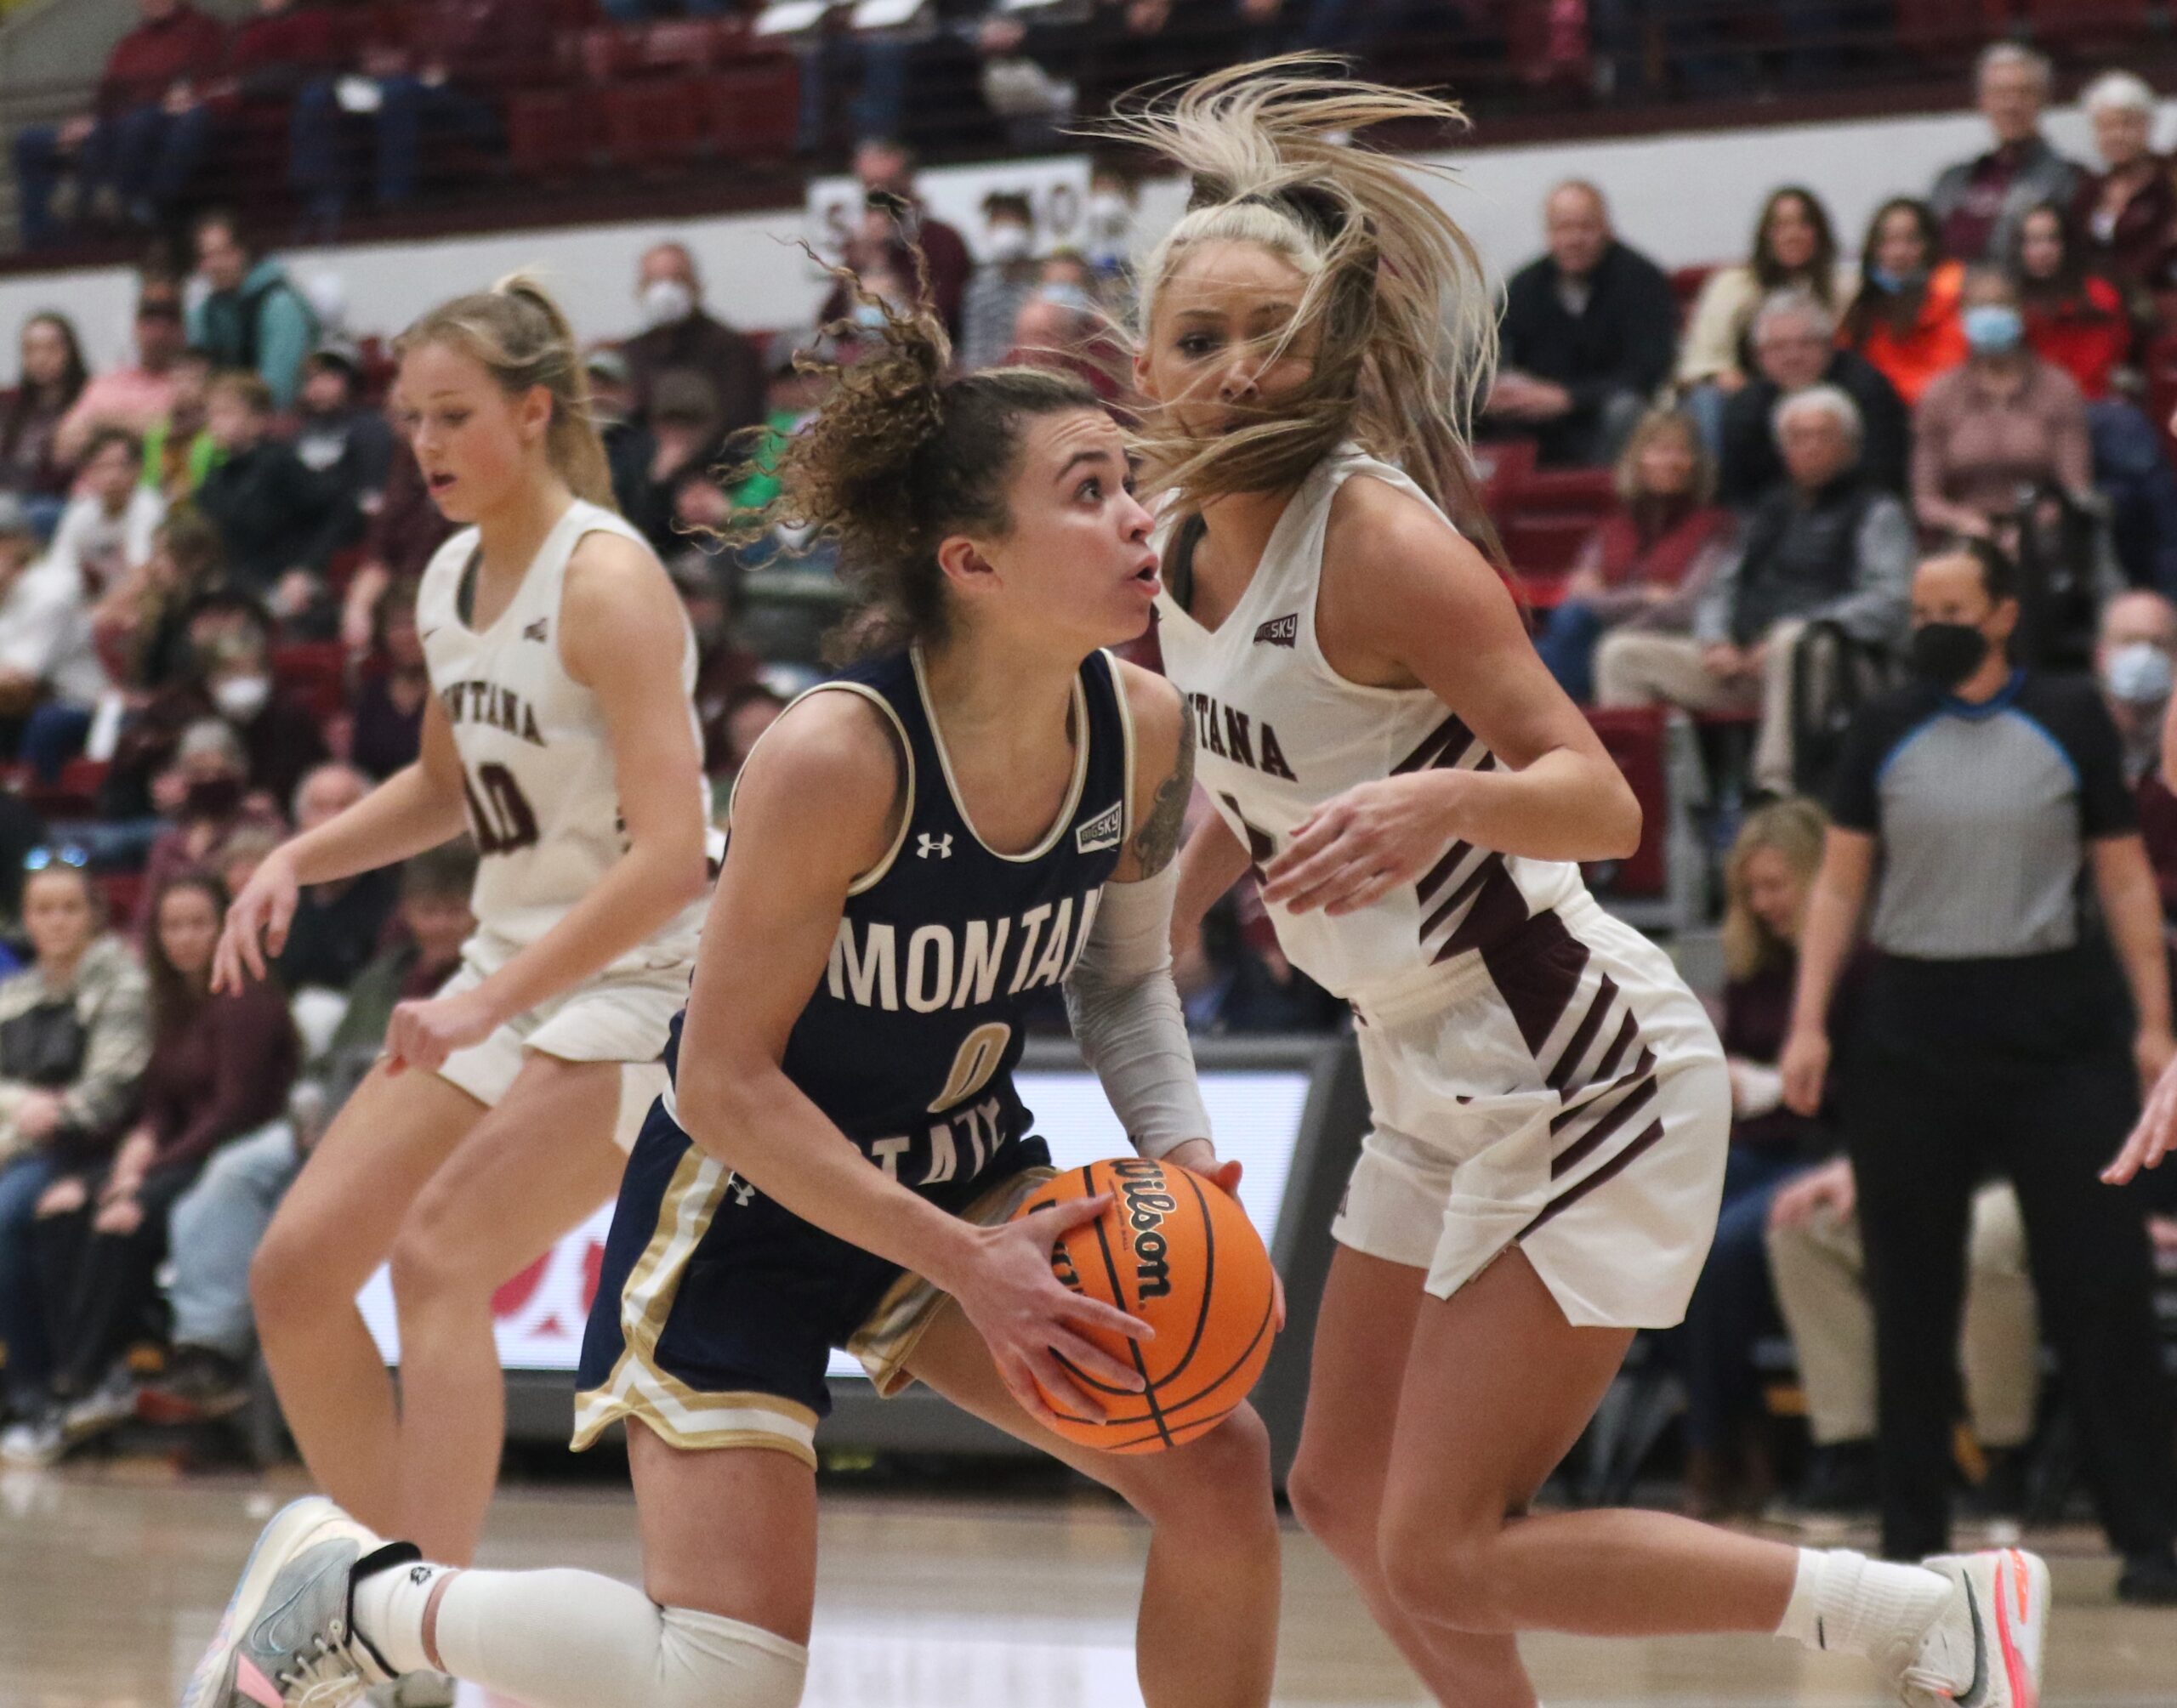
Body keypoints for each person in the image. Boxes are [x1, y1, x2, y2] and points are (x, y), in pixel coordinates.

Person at [188, 279, 1284, 1708]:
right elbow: (717, 1082)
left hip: (959, 1172)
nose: (1141, 518)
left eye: (1130, 484)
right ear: (972, 561)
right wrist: (970, 1265)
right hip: (746, 1206)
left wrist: (1187, 1163)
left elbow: (1124, 980)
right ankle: (366, 1598)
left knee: (1219, 1467)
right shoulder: (836, 756)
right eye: (1090, 492)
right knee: (726, 1682)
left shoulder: (1142, 726)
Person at [1120, 64, 2032, 1708]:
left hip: (1573, 1057)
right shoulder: (1178, 532)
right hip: (1422, 1070)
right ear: (1146, 366)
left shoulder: (1381, 542)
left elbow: (1601, 800)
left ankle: (1926, 1607)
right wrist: (1178, 898)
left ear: (1332, 352)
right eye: (1201, 337)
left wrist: (1441, 797)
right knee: (1340, 1491)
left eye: (1273, 330)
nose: (1239, 363)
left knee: (1445, 1542)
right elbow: (1265, 767)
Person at [207, 275, 719, 1584]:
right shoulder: (450, 573)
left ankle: (419, 1619)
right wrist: (296, 858)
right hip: (513, 966)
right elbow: (445, 787)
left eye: (452, 415)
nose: (425, 445)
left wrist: (484, 1002)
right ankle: (393, 1609)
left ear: (534, 411)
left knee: (438, 1259)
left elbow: (672, 859)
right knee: (295, 1273)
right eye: (411, 420)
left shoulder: (607, 581)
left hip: (649, 980)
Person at [1782, 542, 2177, 1604]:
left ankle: (2151, 1533)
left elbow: (2122, 876)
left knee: (2099, 1281)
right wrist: (1809, 1020)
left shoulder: (2069, 714)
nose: (1932, 624)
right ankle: (1909, 1538)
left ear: (2002, 614)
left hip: (2057, 1024)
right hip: (1912, 1025)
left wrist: (2153, 1021)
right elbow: (1839, 884)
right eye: (1920, 609)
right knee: (1910, 1285)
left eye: (1951, 606)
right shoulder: (1881, 724)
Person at [140, 839, 480, 1427]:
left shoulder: (487, 978)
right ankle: (208, 1350)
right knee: (231, 1173)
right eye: (429, 910)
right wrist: (311, 1108)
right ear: (408, 911)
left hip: (431, 1128)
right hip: (340, 1118)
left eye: (453, 910)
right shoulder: (382, 976)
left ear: (477, 910)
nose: (440, 924)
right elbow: (327, 1065)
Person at [3, 871, 297, 1467]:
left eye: (198, 923)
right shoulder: (174, 1002)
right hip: (175, 1149)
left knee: (119, 1220)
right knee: (63, 1206)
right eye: (172, 926)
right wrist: (133, 1156)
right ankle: (72, 1384)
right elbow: (159, 1103)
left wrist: (139, 1177)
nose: (185, 937)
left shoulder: (244, 1000)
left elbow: (231, 1113)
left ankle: (82, 1382)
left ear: (225, 925)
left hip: (234, 1153)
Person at [1598, 387, 1913, 798]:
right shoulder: (1768, 511)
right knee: (1622, 654)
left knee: (1792, 642)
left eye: (1822, 436)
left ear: (1851, 446)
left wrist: (1801, 629)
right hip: (1747, 661)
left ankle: (1773, 789)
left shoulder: (1877, 511)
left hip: (1837, 665)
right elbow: (1720, 588)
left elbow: (1892, 600)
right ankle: (1640, 799)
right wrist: (1716, 640)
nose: (1809, 447)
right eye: (1797, 437)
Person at [1673, 799, 1837, 1518]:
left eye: (1776, 884)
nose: (1764, 902)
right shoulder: (1756, 963)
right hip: (1752, 1146)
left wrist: (1773, 1084)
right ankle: (1740, 1431)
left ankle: (1712, 1447)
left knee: (1720, 1251)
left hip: (1825, 1151)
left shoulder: (1854, 965)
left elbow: (1867, 1083)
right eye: (1752, 889)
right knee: (1664, 1236)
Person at [1766, 1160, 2039, 1520]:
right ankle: (1858, 1454)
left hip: (2027, 1171)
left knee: (1981, 1237)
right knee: (1805, 1225)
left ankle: (2004, 1458)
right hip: (1931, 1162)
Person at [0, 854, 151, 1433]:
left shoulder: (122, 982)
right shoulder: (15, 992)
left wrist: (28, 1117)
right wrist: (21, 1110)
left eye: (69, 908)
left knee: (10, 1211)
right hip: (21, 1141)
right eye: (43, 909)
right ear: (26, 919)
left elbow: (107, 1092)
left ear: (95, 914)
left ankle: (33, 1384)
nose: (56, 921)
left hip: (90, 1147)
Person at [1534, 408, 1734, 705]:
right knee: (1562, 627)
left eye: (1682, 451)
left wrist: (1609, 604)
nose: (1671, 462)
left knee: (1572, 632)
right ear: (1638, 459)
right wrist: (1644, 596)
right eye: (1660, 450)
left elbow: (1687, 606)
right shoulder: (1613, 527)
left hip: (1669, 640)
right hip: (1598, 635)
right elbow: (1577, 594)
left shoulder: (1716, 528)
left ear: (1697, 462)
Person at [1487, 179, 1678, 468]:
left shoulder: (1642, 281)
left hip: (1602, 413)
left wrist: (1569, 398)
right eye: (1563, 228)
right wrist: (1499, 388)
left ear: (1607, 228)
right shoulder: (1524, 285)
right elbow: (1494, 351)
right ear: (1549, 233)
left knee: (1625, 409)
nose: (1574, 239)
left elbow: (1648, 370)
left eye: (1586, 227)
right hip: (1535, 417)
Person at [9, 0, 226, 249]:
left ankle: (107, 209)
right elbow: (107, 95)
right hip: (110, 123)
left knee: (135, 124)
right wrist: (86, 121)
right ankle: (38, 237)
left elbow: (205, 84)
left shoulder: (203, 32)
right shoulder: (131, 44)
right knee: (30, 142)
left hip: (156, 125)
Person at [1911, 267, 2094, 543]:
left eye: (2000, 305)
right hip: (1965, 534)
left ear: (2019, 311)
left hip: (2043, 533)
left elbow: (2076, 488)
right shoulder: (1940, 394)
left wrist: (2034, 528)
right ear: (1963, 316)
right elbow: (1926, 499)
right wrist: (1965, 522)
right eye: (1979, 307)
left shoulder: (2058, 389)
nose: (1990, 315)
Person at [1677, 186, 1855, 440]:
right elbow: (1703, 362)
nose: (1792, 235)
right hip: (1746, 391)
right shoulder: (1732, 284)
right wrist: (1734, 381)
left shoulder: (1843, 287)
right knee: (1707, 400)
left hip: (1821, 389)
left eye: (1803, 225)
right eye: (1781, 226)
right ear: (1765, 235)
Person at [1717, 289, 1910, 506]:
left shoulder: (1868, 389)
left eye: (1806, 343)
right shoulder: (1745, 408)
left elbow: (1884, 474)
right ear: (1759, 357)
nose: (1793, 356)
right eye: (1778, 347)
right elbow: (1739, 494)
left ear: (1829, 345)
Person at [194, 369, 348, 615]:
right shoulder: (215, 479)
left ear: (258, 420)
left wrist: (306, 569)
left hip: (280, 586)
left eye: (226, 413)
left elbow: (339, 511)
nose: (215, 423)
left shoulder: (280, 463)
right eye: (211, 414)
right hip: (236, 590)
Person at [1929, 43, 2088, 264]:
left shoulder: (2072, 180)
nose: (2011, 105)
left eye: (2024, 93)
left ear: (2044, 99)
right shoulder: (1950, 180)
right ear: (1982, 101)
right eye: (2000, 93)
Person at [622, 241, 765, 447]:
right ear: (640, 290)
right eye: (654, 281)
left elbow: (743, 423)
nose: (665, 291)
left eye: (677, 279)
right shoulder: (632, 353)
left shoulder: (730, 349)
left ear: (696, 286)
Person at [274, 763, 397, 996]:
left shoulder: (393, 903)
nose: (333, 819)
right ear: (300, 823)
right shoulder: (284, 899)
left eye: (344, 805)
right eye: (320, 808)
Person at [1839, 199, 1967, 410]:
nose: (1898, 253)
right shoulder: (1862, 308)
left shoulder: (1956, 301)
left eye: (1911, 240)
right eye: (1887, 241)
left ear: (1930, 246)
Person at [187, 211, 319, 411]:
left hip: (272, 421)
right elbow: (196, 375)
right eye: (206, 257)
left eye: (223, 253)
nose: (213, 266)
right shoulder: (206, 311)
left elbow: (278, 390)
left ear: (243, 252)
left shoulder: (279, 305)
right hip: (221, 417)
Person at [52, 275, 187, 468]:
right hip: (97, 482)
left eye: (169, 320)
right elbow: (64, 449)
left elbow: (180, 430)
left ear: (182, 329)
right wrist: (142, 425)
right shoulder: (107, 382)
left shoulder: (191, 383)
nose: (159, 331)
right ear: (135, 326)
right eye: (149, 319)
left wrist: (103, 421)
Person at [2080, 70, 2177, 293]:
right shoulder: (2089, 189)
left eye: (2127, 124)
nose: (2117, 135)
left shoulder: (2167, 184)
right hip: (2100, 301)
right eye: (2107, 126)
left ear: (2148, 126)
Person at [45, 427, 164, 603]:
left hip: (135, 604)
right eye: (102, 467)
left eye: (121, 466)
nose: (113, 476)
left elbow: (142, 578)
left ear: (138, 469)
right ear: (87, 474)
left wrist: (100, 612)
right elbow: (57, 569)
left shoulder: (149, 507)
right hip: (89, 603)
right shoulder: (81, 511)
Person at [0, 313, 89, 530]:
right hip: (9, 493)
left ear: (70, 351)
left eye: (50, 348)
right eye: (31, 350)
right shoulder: (9, 402)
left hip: (56, 500)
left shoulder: (86, 400)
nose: (40, 358)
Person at [960, 190, 1045, 372]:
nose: (1008, 233)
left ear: (1029, 228)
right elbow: (975, 350)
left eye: (1014, 224)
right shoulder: (979, 288)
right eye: (1001, 225)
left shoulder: (1042, 282)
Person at [2098, 588, 2177, 781]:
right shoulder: (2078, 737)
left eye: (2158, 643)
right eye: (2130, 641)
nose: (2144, 654)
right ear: (2100, 655)